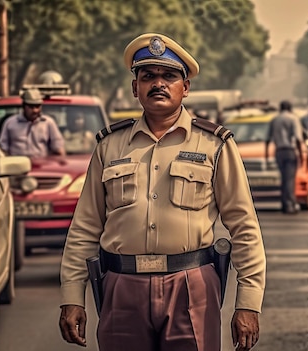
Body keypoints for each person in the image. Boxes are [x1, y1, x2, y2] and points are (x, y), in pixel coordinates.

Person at [58, 33, 266, 351]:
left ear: (185, 88)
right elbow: (85, 227)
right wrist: (72, 297)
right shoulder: (109, 145)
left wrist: (248, 301)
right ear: (135, 87)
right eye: (148, 76)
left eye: (169, 76)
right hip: (122, 287)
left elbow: (244, 226)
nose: (159, 84)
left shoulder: (213, 144)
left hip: (192, 287)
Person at [0, 88, 66, 158]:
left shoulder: (48, 123)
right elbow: (3, 149)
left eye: (37, 106)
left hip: (42, 166)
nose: (35, 110)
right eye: (31, 107)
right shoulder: (10, 123)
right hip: (17, 166)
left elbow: (58, 148)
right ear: (24, 106)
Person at [266, 100, 305, 214]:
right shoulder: (293, 118)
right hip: (290, 150)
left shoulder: (274, 120)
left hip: (279, 151)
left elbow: (268, 139)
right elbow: (298, 137)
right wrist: (301, 153)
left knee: (284, 178)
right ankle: (290, 205)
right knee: (290, 179)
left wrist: (267, 154)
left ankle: (284, 203)